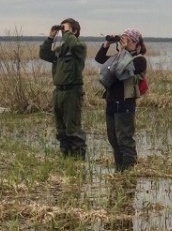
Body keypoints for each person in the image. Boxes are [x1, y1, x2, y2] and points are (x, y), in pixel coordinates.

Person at [95, 29, 147, 172]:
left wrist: (123, 51)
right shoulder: (119, 57)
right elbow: (99, 58)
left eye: (128, 41)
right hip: (111, 102)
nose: (124, 43)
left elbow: (121, 70)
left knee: (124, 139)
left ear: (137, 44)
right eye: (123, 40)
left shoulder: (139, 60)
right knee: (113, 139)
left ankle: (130, 170)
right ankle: (120, 170)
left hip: (125, 103)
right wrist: (108, 42)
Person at [39, 18, 87, 158]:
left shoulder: (79, 48)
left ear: (75, 31)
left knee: (73, 129)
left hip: (72, 92)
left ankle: (78, 160)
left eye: (66, 29)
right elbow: (44, 54)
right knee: (61, 129)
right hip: (59, 92)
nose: (63, 32)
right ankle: (66, 157)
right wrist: (51, 37)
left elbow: (75, 44)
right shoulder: (60, 50)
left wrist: (67, 32)